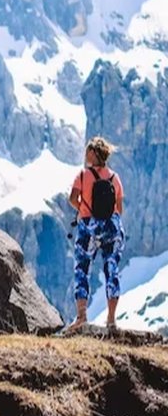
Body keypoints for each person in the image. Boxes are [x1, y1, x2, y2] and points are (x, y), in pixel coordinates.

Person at [66, 136, 125, 333]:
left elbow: (72, 198)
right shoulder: (115, 178)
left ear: (94, 154)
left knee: (82, 270)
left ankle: (82, 316)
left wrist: (84, 209)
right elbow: (119, 208)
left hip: (88, 227)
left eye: (87, 151)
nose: (85, 154)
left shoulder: (83, 176)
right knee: (112, 270)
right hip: (112, 228)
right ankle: (111, 319)